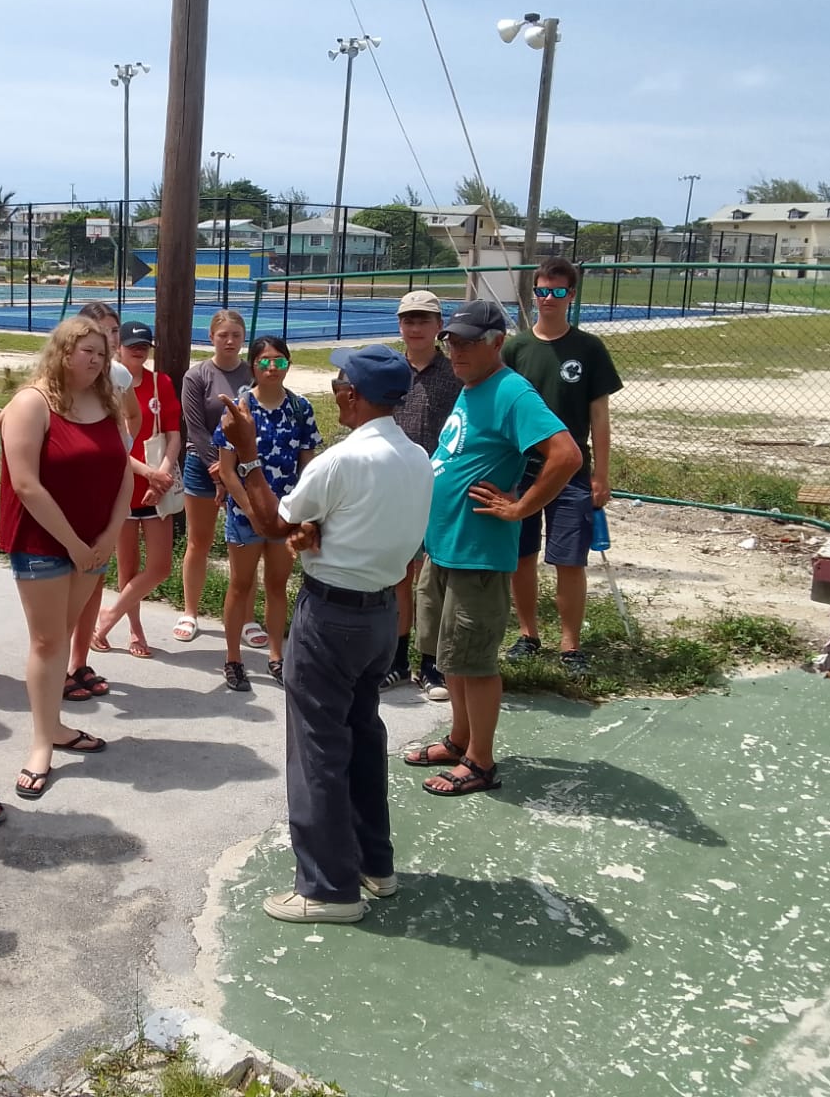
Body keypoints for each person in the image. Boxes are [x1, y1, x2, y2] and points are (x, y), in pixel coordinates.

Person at [217, 344, 432, 925]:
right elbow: (357, 523)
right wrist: (319, 533)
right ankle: (373, 865)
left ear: (353, 394)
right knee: (362, 738)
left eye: (340, 380)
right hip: (381, 615)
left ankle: (327, 889)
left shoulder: (339, 461)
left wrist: (249, 457)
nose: (334, 387)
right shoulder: (416, 458)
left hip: (331, 616)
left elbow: (271, 523)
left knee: (317, 749)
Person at [407, 301, 581, 797]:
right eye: (451, 342)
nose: (455, 350)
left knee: (475, 660)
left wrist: (522, 507)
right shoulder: (472, 388)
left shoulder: (510, 391)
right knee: (452, 657)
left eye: (467, 342)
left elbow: (565, 454)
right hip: (446, 547)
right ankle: (461, 740)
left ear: (496, 343)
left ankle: (481, 762)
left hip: (478, 554)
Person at [0, 316, 132, 800]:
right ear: (62, 352)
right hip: (44, 544)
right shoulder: (31, 404)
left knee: (60, 638)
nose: (96, 360)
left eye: (102, 352)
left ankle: (53, 725)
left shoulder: (107, 402)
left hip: (95, 544)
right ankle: (41, 743)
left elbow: (124, 475)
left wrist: (110, 534)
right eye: (86, 351)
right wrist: (76, 544)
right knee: (48, 642)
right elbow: (25, 484)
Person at [502, 258, 623, 676]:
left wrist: (601, 474)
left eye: (557, 292)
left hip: (571, 473)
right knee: (522, 556)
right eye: (541, 291)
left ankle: (570, 646)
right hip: (522, 471)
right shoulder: (515, 348)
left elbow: (599, 417)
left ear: (571, 295)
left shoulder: (589, 349)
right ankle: (528, 635)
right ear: (533, 293)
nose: (547, 299)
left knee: (569, 559)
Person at [213, 336, 321, 691]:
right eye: (265, 361)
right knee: (240, 586)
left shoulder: (301, 408)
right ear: (253, 366)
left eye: (280, 361)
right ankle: (233, 658)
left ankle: (276, 656)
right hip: (245, 516)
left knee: (277, 586)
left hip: (285, 515)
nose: (272, 368)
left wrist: (304, 510)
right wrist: (250, 509)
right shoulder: (240, 409)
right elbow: (227, 469)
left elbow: (307, 462)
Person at [385, 290, 462, 698]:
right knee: (399, 574)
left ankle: (432, 663)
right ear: (400, 325)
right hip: (394, 486)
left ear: (439, 327)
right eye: (409, 320)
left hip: (440, 488)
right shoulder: (388, 370)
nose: (415, 328)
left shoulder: (455, 374)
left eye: (424, 320)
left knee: (434, 579)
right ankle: (396, 661)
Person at [91, 320, 180, 660]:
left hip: (158, 484)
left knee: (160, 566)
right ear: (118, 347)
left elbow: (172, 433)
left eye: (144, 345)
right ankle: (135, 628)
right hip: (124, 485)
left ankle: (109, 615)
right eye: (132, 345)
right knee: (127, 566)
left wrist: (163, 473)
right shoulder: (106, 387)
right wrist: (147, 472)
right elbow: (109, 444)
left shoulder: (161, 383)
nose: (138, 350)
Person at [64, 301, 140, 700]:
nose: (109, 339)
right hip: (70, 492)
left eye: (113, 332)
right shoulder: (59, 380)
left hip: (106, 486)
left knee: (94, 580)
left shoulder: (119, 375)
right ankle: (56, 667)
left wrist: (123, 450)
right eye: (99, 331)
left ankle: (78, 662)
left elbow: (133, 414)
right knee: (63, 583)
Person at [174, 309, 251, 642]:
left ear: (243, 337)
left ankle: (246, 617)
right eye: (224, 335)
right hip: (203, 466)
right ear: (212, 338)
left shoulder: (253, 373)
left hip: (245, 468)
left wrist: (236, 469)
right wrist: (218, 473)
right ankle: (190, 611)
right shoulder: (197, 376)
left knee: (245, 544)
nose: (230, 341)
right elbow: (195, 428)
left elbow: (258, 422)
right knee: (199, 541)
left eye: (236, 334)